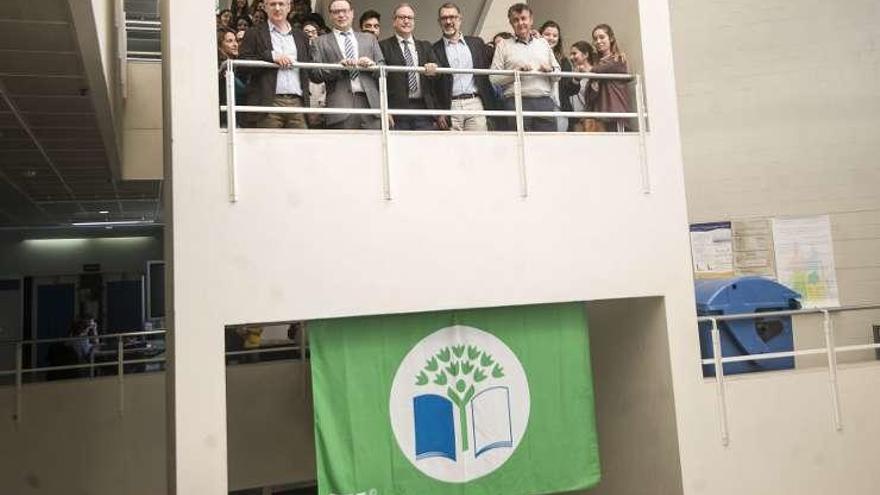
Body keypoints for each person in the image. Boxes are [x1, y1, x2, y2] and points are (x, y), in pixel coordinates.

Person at [310, 0, 385, 129]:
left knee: (374, 148)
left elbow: (384, 69)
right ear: (330, 15)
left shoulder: (369, 38)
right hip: (340, 106)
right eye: (336, 12)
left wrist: (372, 65)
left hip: (370, 105)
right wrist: (337, 67)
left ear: (352, 13)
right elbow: (315, 74)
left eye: (344, 11)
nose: (341, 15)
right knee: (343, 148)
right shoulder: (320, 42)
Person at [239, 0, 312, 129]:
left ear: (289, 7)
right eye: (272, 4)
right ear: (265, 7)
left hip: (298, 102)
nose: (277, 8)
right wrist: (271, 56)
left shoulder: (301, 36)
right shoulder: (253, 33)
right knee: (269, 147)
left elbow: (310, 67)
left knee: (300, 146)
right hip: (268, 102)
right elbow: (243, 64)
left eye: (281, 4)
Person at [489, 4, 560, 132]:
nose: (520, 23)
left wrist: (550, 71)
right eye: (516, 20)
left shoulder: (543, 43)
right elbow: (493, 78)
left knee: (548, 146)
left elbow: (558, 75)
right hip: (516, 102)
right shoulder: (503, 46)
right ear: (511, 23)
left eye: (523, 18)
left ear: (531, 20)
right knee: (520, 148)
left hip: (543, 101)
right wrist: (515, 73)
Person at [431, 2, 495, 131]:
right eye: (444, 18)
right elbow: (431, 86)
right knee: (453, 149)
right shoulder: (433, 49)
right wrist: (438, 112)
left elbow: (499, 54)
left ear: (460, 19)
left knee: (478, 147)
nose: (448, 21)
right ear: (439, 22)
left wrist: (536, 35)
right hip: (450, 106)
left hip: (475, 103)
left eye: (452, 17)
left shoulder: (477, 43)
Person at [379, 3, 439, 130]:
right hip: (397, 111)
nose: (406, 21)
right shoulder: (383, 46)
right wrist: (385, 109)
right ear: (394, 21)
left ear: (414, 22)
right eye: (401, 17)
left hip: (423, 108)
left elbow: (438, 74)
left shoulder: (425, 46)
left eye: (409, 18)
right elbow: (378, 81)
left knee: (424, 147)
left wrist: (433, 68)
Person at [590, 23, 631, 132]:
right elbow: (590, 96)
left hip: (616, 115)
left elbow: (598, 70)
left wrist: (588, 69)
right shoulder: (597, 63)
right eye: (595, 39)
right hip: (601, 117)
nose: (598, 41)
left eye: (602, 37)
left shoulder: (618, 59)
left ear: (611, 38)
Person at [539, 20, 573, 132]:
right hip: (539, 105)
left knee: (559, 141)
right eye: (547, 34)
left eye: (555, 35)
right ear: (540, 35)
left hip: (559, 107)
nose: (551, 38)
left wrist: (576, 81)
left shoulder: (563, 61)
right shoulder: (535, 56)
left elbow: (569, 88)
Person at [567, 40, 600, 132]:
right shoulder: (571, 73)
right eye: (570, 54)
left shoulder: (596, 72)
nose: (571, 57)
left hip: (591, 120)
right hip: (575, 120)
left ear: (585, 55)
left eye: (574, 53)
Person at [218, 28, 247, 126]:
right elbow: (242, 89)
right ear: (220, 46)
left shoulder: (237, 66)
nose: (235, 45)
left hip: (237, 118)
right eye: (229, 41)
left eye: (235, 41)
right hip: (224, 121)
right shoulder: (220, 67)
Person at [303, 20, 327, 128]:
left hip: (320, 96)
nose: (310, 34)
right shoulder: (297, 53)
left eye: (313, 32)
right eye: (306, 32)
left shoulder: (324, 54)